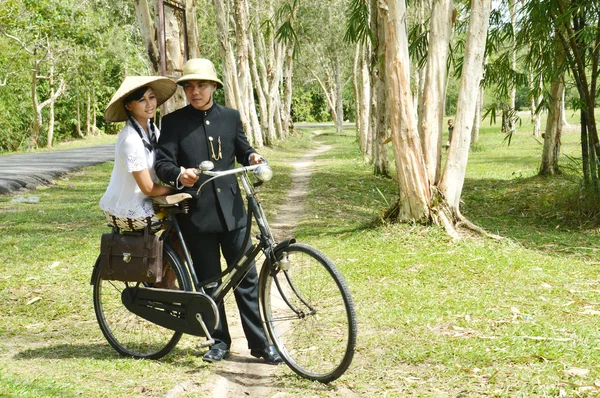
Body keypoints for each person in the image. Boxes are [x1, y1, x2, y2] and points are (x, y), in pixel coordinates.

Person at [154, 58, 283, 364]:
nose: (194, 91)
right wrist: (179, 175)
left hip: (232, 212)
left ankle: (260, 344)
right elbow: (162, 163)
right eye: (189, 86)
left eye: (200, 85)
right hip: (196, 214)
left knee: (246, 278)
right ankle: (219, 340)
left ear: (213, 86)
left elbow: (243, 148)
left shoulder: (230, 117)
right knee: (209, 281)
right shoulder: (173, 122)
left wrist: (253, 157)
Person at [99, 76, 176, 231]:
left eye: (152, 97)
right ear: (129, 106)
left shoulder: (152, 128)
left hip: (147, 200)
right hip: (128, 209)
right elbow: (148, 188)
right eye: (142, 100)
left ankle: (166, 254)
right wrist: (177, 190)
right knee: (183, 219)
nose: (149, 104)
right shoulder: (130, 139)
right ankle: (166, 255)